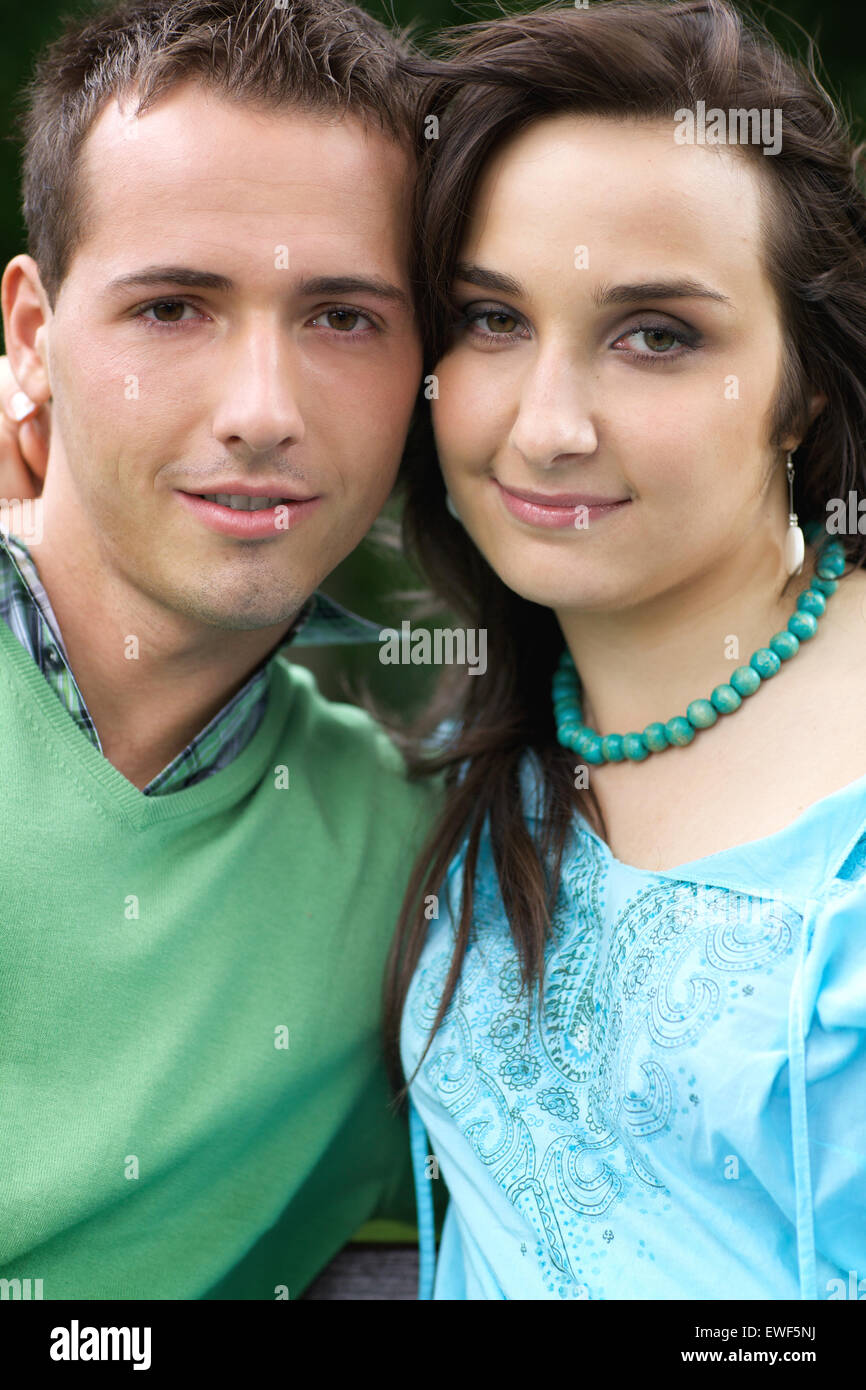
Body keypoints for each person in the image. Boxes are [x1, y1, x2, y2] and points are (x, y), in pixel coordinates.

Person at [386, 0, 866, 1299]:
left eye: (655, 335)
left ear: (800, 385)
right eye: (489, 318)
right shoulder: (469, 746)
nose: (546, 426)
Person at [0, 0, 445, 1300]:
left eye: (344, 318)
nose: (262, 411)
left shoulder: (426, 867)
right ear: (33, 335)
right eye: (174, 307)